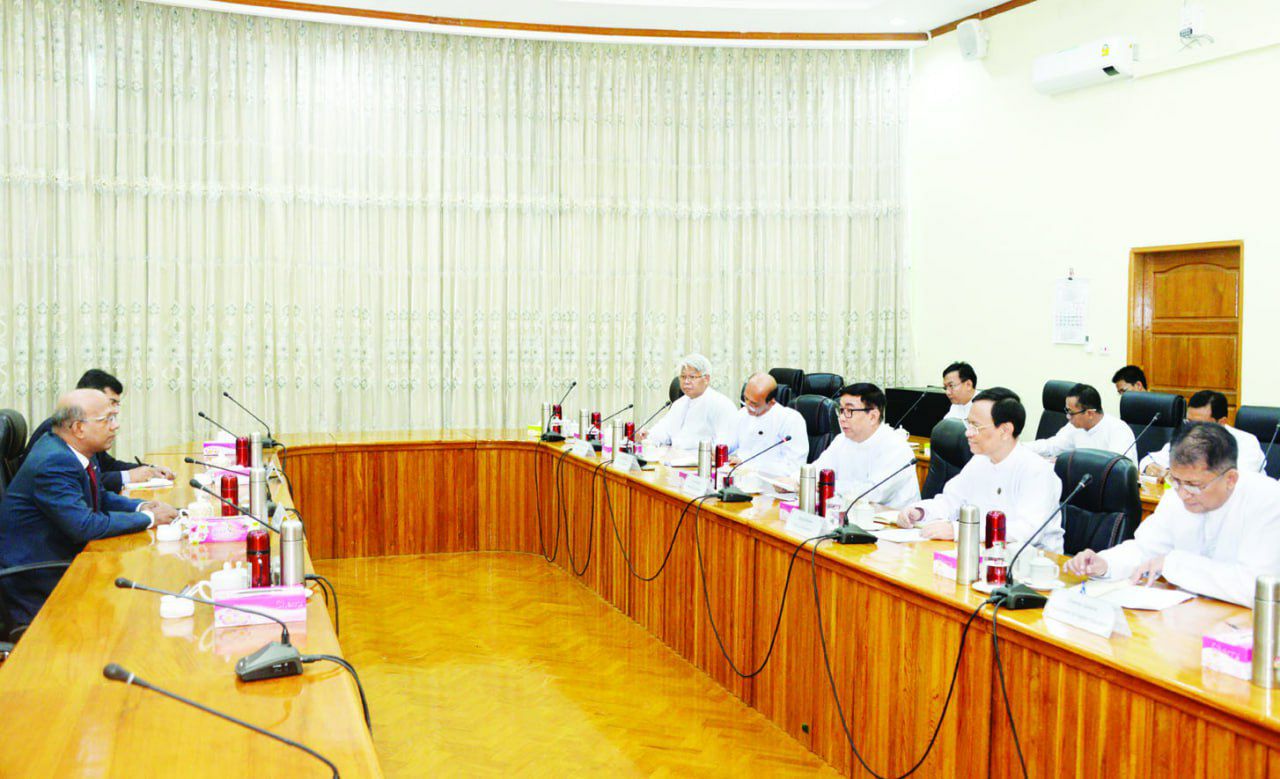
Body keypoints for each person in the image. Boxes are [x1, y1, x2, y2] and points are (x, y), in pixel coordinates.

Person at [0, 390, 178, 625]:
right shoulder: (53, 461)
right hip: (39, 581)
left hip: (66, 560)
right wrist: (149, 518)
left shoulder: (74, 450)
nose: (115, 425)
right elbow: (84, 526)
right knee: (136, 609)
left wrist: (143, 506)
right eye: (107, 419)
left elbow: (99, 496)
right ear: (79, 428)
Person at [1067, 423, 1280, 607]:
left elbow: (1256, 587)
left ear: (1230, 479)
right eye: (1175, 481)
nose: (1183, 493)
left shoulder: (1268, 501)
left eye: (1195, 485)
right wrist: (1106, 563)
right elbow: (1145, 549)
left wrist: (1174, 565)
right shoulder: (1176, 495)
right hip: (1187, 613)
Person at [897, 387, 1064, 553]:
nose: (968, 433)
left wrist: (960, 531)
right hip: (983, 553)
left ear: (1005, 430)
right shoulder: (980, 461)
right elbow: (951, 502)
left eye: (976, 426)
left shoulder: (1037, 471)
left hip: (1032, 562)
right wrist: (920, 512)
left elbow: (1028, 531)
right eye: (968, 424)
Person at [18, 369, 173, 492]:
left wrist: (149, 470)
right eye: (112, 402)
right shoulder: (58, 431)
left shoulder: (90, 429)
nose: (116, 410)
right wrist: (128, 476)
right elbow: (83, 481)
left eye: (117, 404)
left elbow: (107, 465)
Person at [808, 383, 920, 507]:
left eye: (849, 411)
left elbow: (873, 493)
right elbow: (815, 471)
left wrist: (827, 485)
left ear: (873, 417)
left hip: (891, 517)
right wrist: (799, 479)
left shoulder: (895, 446)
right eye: (841, 410)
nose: (841, 418)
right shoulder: (842, 440)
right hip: (848, 512)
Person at [1139, 390, 1264, 477]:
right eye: (1189, 422)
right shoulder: (1187, 438)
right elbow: (1147, 461)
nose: (1192, 429)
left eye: (1199, 424)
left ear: (1221, 422)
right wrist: (1157, 470)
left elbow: (1236, 480)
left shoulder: (1246, 443)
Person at [640, 354, 736, 450]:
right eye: (683, 376)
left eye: (692, 377)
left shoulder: (721, 404)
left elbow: (726, 443)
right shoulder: (679, 404)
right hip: (674, 456)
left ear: (706, 379)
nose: (686, 381)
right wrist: (647, 436)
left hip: (701, 458)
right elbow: (664, 430)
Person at [1028, 383, 1137, 464]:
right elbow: (1051, 446)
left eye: (1071, 413)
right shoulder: (1074, 427)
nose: (1067, 417)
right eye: (1067, 411)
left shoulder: (1118, 430)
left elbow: (1116, 467)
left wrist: (1068, 463)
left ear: (1090, 413)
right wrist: (1022, 447)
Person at [725, 373, 808, 477]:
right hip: (740, 477)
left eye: (754, 404)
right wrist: (718, 452)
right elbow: (727, 443)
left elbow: (794, 467)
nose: (747, 406)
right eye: (745, 399)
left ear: (771, 402)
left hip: (772, 482)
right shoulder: (742, 414)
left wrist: (750, 467)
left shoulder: (790, 419)